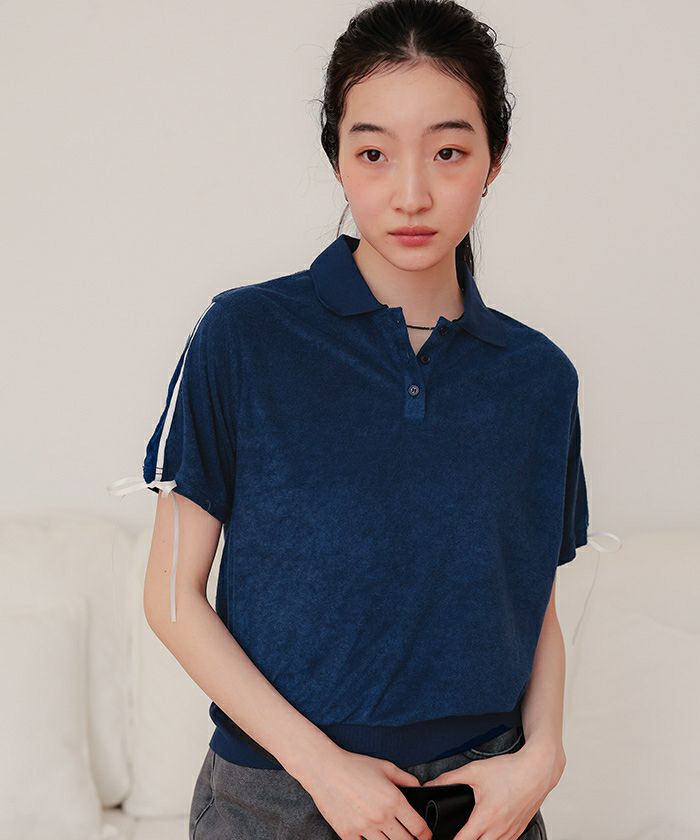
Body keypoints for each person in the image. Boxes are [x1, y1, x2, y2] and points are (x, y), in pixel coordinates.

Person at [108, 1, 594, 837]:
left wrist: (544, 755)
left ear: (495, 158)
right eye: (374, 153)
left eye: (448, 152)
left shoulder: (538, 376)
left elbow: (530, 596)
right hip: (278, 796)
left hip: (486, 803)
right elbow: (170, 596)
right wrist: (322, 767)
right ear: (337, 157)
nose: (411, 193)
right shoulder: (243, 336)